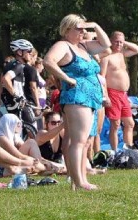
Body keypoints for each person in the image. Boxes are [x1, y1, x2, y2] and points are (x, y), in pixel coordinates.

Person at [42, 14, 111, 191]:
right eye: (78, 28)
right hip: (76, 96)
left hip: (91, 98)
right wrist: (66, 78)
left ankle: (78, 179)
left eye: (84, 29)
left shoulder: (83, 46)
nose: (83, 31)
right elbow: (48, 61)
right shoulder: (62, 46)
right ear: (67, 30)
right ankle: (80, 181)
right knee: (78, 140)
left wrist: (94, 24)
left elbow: (106, 45)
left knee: (83, 140)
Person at [100, 31, 138, 150]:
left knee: (130, 123)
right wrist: (105, 95)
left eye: (121, 42)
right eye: (116, 41)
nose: (119, 44)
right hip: (112, 92)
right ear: (111, 41)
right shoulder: (106, 56)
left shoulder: (122, 53)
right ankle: (115, 151)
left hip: (124, 95)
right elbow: (101, 77)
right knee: (116, 124)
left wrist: (124, 42)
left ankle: (128, 149)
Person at [0, 39, 39, 138]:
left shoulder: (10, 65)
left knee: (17, 134)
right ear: (19, 52)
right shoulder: (18, 65)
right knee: (34, 132)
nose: (30, 54)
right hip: (19, 103)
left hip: (11, 104)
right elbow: (6, 79)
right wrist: (15, 95)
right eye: (28, 51)